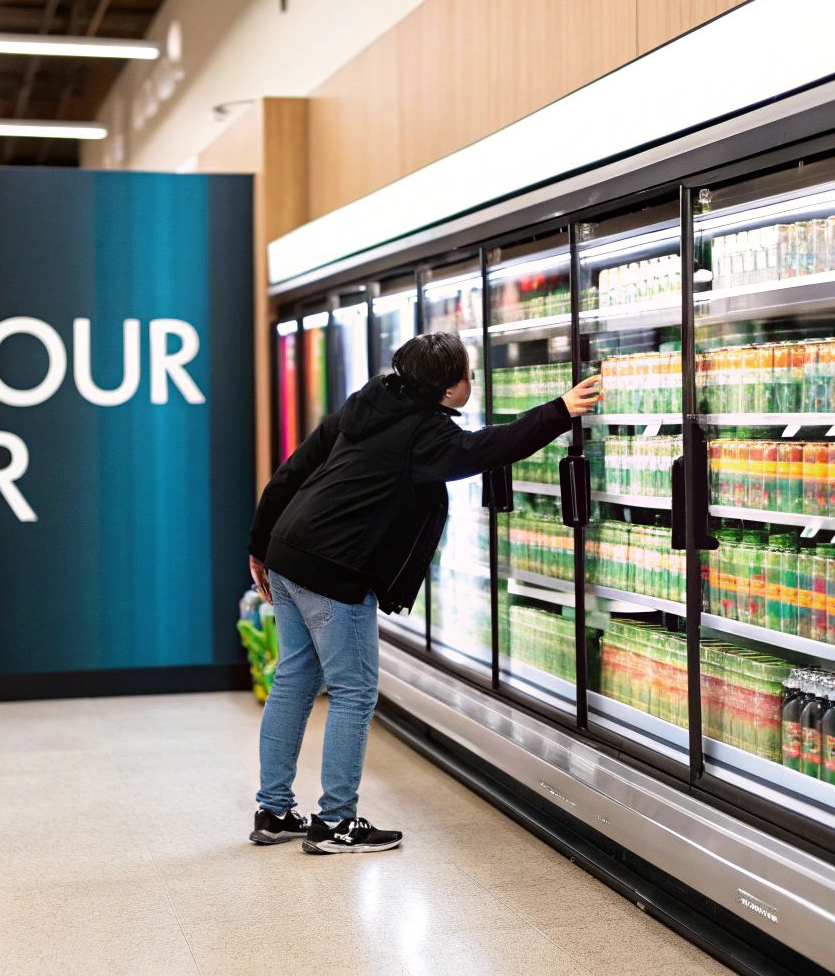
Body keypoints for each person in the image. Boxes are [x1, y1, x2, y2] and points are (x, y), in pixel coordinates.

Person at [245, 331, 601, 853]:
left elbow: (295, 466)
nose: (471, 383)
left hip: (288, 552)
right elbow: (486, 448)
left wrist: (259, 543)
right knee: (353, 692)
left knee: (295, 680)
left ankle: (273, 811)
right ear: (446, 388)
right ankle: (336, 823)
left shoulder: (369, 402)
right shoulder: (426, 435)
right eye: (466, 375)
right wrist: (559, 410)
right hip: (332, 569)